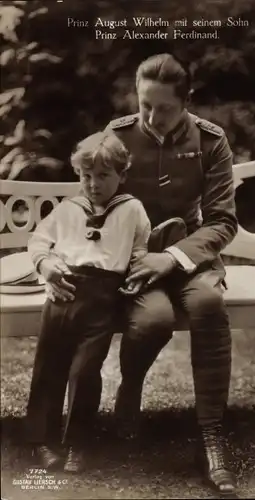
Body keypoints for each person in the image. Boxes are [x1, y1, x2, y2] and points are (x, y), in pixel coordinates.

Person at [48, 53, 238, 495]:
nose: (152, 117)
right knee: (153, 321)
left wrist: (171, 257)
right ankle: (130, 387)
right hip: (130, 256)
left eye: (165, 108)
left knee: (209, 304)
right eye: (144, 104)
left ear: (186, 101)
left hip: (188, 254)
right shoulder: (117, 135)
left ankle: (212, 437)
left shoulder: (211, 141)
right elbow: (91, 200)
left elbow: (223, 221)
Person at [26, 134, 151, 473]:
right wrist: (46, 266)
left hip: (103, 298)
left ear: (122, 175)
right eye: (86, 176)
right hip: (63, 291)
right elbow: (38, 241)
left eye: (103, 176)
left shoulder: (132, 209)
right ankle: (42, 441)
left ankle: (77, 443)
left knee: (85, 371)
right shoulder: (68, 209)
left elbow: (140, 247)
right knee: (49, 367)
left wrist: (137, 268)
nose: (93, 184)